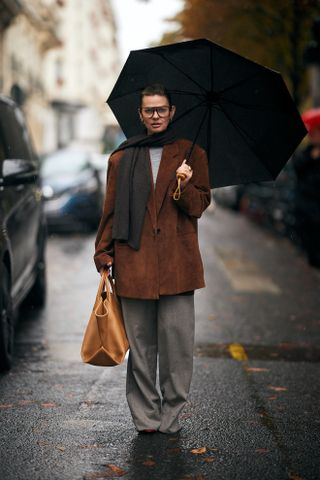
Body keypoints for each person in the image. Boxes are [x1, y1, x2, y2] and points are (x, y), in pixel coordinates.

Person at [94, 84, 211, 434]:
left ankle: (172, 416)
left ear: (172, 112)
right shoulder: (121, 157)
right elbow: (110, 210)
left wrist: (185, 186)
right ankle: (146, 417)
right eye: (149, 111)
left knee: (177, 349)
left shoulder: (193, 156)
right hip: (135, 261)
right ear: (140, 114)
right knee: (141, 349)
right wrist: (103, 252)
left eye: (162, 110)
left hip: (178, 264)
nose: (156, 116)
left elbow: (199, 206)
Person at [293, 112, 320, 268]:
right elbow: (298, 168)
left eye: (316, 132)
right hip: (304, 205)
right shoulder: (307, 152)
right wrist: (312, 157)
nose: (312, 135)